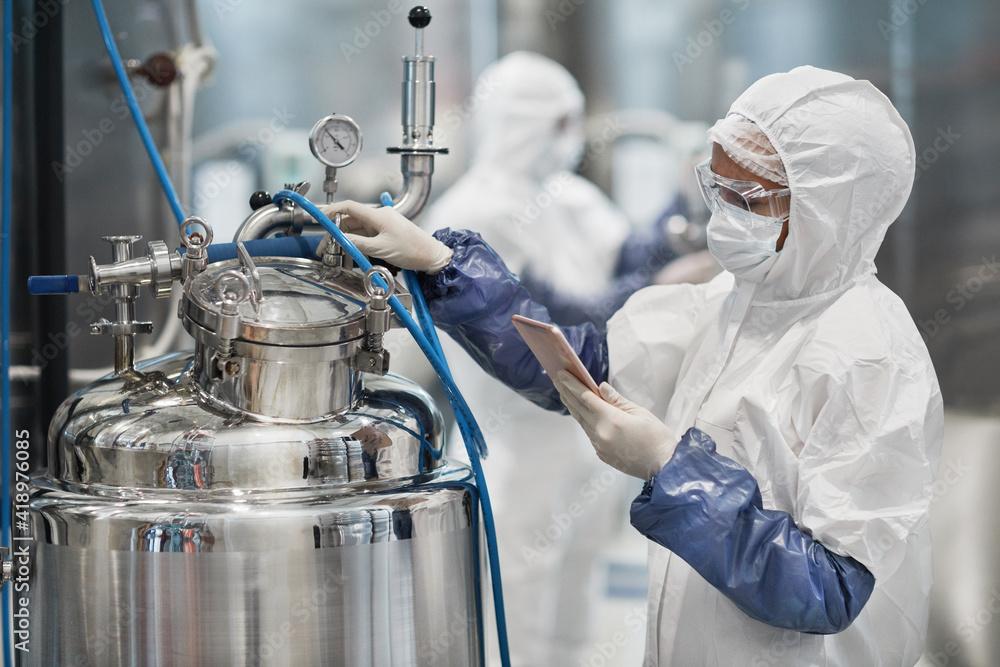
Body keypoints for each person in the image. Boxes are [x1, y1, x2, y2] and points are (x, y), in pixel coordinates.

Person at [328, 66, 943, 666]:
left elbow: (828, 588)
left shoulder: (869, 356)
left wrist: (672, 470)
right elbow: (584, 365)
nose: (722, 216)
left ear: (827, 210)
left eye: (745, 198)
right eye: (715, 189)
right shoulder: (732, 305)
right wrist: (441, 263)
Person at [422, 51, 684, 666]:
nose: (572, 138)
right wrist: (667, 280)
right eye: (561, 122)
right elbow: (549, 320)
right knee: (515, 605)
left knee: (575, 603)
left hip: (587, 441)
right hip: (515, 445)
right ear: (527, 124)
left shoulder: (571, 196)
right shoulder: (473, 213)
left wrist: (681, 215)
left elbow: (627, 260)